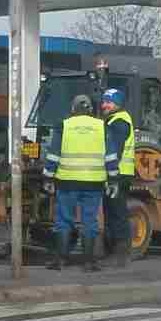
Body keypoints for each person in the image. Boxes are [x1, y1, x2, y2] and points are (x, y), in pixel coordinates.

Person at [46, 92, 106, 271]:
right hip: (94, 183)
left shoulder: (64, 125)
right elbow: (110, 155)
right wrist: (114, 179)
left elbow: (54, 154)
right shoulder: (101, 126)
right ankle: (88, 262)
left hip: (67, 182)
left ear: (73, 108)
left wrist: (48, 176)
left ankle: (61, 261)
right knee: (90, 221)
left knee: (64, 219)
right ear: (90, 109)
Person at [99, 87, 136, 266]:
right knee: (112, 212)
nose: (104, 105)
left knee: (117, 213)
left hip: (118, 174)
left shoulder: (119, 123)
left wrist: (112, 175)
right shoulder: (113, 120)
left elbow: (114, 151)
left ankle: (120, 254)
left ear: (117, 104)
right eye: (103, 101)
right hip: (117, 173)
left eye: (108, 102)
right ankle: (114, 252)